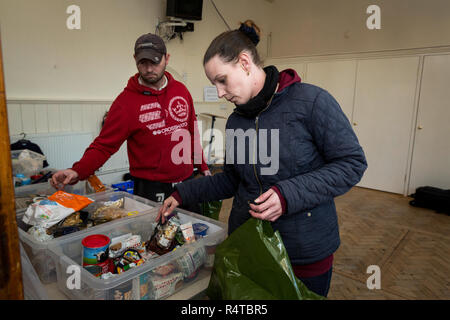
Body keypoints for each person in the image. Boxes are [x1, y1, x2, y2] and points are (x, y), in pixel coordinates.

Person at [157, 22, 367, 298]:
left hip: (303, 252)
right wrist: (183, 192)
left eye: (222, 80)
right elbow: (234, 178)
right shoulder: (236, 121)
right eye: (214, 84)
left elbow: (351, 164)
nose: (219, 92)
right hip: (251, 246)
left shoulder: (312, 101)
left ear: (245, 63)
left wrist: (286, 195)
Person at [51, 33, 211, 210]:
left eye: (155, 62)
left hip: (186, 182)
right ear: (135, 59)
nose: (149, 69)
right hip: (151, 187)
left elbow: (192, 132)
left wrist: (202, 166)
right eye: (143, 63)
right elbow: (104, 145)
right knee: (155, 236)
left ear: (167, 58)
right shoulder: (125, 103)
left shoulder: (181, 91)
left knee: (192, 233)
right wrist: (78, 171)